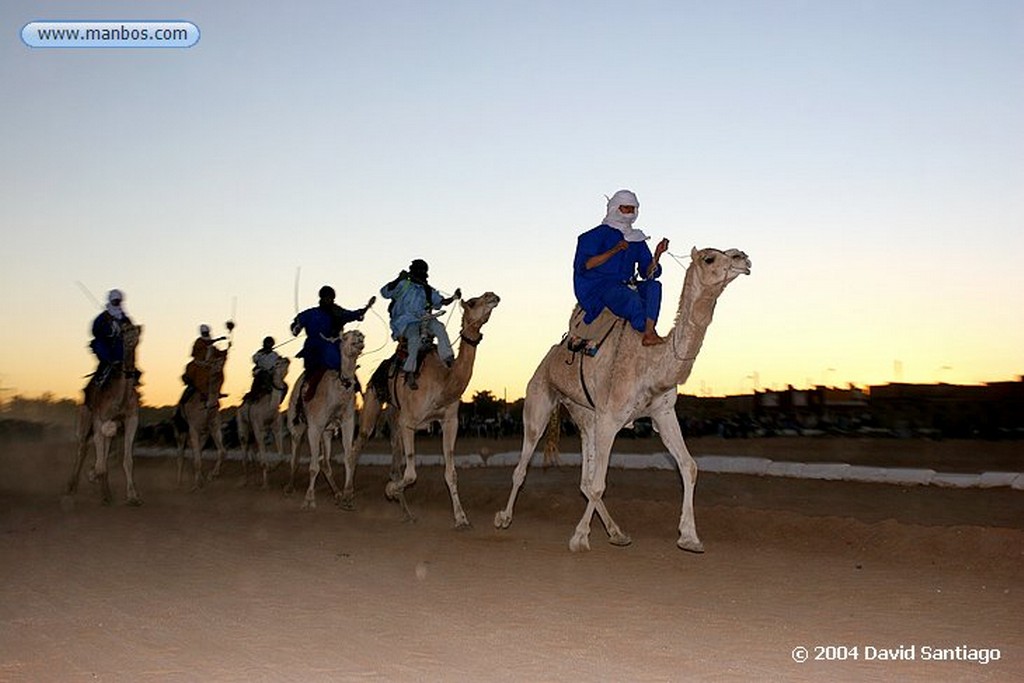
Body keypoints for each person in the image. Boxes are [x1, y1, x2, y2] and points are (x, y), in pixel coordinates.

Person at [573, 189, 669, 346]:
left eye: (633, 208)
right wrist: (614, 250)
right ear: (615, 208)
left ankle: (649, 332)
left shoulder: (636, 238)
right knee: (632, 300)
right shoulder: (596, 235)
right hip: (602, 286)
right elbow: (585, 265)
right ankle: (641, 326)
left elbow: (647, 273)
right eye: (626, 208)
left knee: (654, 286)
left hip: (628, 284)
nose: (630, 212)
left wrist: (657, 255)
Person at [380, 259, 460, 389]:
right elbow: (385, 293)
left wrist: (454, 297)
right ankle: (410, 371)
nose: (421, 274)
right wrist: (397, 279)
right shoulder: (403, 284)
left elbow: (440, 302)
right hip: (405, 322)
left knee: (439, 328)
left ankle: (448, 357)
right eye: (418, 271)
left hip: (424, 319)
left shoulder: (427, 290)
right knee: (414, 338)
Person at [291, 286, 373, 401]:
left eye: (330, 298)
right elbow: (298, 322)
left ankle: (356, 389)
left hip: (334, 345)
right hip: (315, 346)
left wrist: (364, 309)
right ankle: (308, 392)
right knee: (313, 369)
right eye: (326, 297)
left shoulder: (338, 312)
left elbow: (352, 315)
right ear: (321, 298)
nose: (328, 300)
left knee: (347, 364)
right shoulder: (312, 313)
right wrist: (296, 326)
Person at [89, 288, 134, 388]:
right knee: (106, 361)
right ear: (111, 301)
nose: (116, 303)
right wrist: (107, 333)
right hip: (105, 342)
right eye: (115, 301)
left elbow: (131, 330)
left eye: (118, 301)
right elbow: (95, 330)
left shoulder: (124, 318)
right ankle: (99, 379)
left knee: (128, 362)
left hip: (119, 343)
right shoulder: (103, 317)